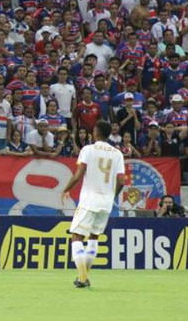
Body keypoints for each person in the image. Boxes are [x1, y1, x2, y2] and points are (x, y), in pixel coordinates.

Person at [61, 120, 125, 288]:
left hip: (89, 199)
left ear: (95, 133)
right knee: (94, 237)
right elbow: (122, 180)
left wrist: (65, 189)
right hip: (106, 202)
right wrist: (112, 195)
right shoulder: (117, 153)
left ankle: (82, 278)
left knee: (77, 237)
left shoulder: (88, 150)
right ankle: (84, 276)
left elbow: (78, 174)